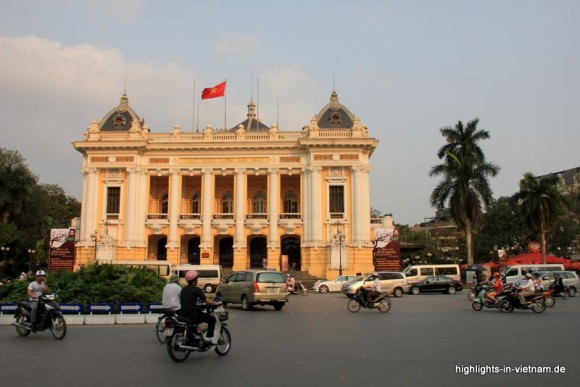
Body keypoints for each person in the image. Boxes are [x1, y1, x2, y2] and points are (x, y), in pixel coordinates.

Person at [179, 270, 221, 344]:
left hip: (183, 313)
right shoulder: (196, 289)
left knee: (195, 323)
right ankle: (208, 338)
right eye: (197, 279)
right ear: (195, 280)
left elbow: (187, 301)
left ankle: (195, 337)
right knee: (212, 319)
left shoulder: (183, 289)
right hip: (193, 314)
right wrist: (215, 303)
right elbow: (206, 300)